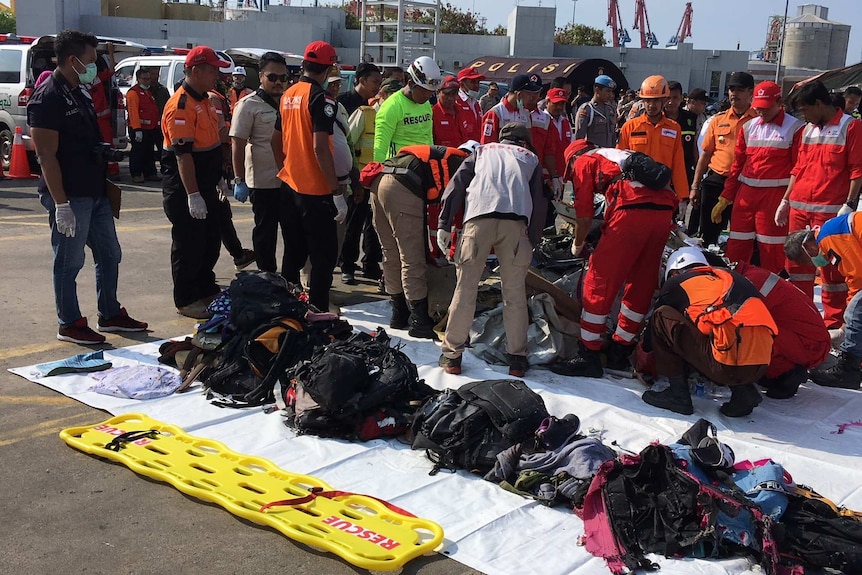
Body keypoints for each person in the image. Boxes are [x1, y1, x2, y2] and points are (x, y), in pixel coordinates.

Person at [28, 29, 147, 343]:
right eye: (91, 61)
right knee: (69, 261)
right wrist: (61, 205)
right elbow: (46, 155)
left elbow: (83, 139)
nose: (96, 67)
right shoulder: (48, 96)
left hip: (94, 190)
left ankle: (109, 313)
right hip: (70, 195)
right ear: (72, 60)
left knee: (110, 254)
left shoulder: (77, 90)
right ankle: (69, 322)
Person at [549, 139, 677, 378]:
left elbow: (584, 214)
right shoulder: (622, 155)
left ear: (572, 159)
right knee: (642, 282)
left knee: (599, 281)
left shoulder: (583, 162)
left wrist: (578, 244)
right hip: (663, 213)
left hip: (631, 213)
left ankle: (588, 354)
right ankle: (621, 350)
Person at [438, 123, 545, 377]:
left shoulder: (481, 151)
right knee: (514, 293)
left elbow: (456, 186)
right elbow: (539, 202)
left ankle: (452, 356)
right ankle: (517, 359)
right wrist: (534, 238)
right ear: (524, 143)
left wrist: (444, 223)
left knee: (465, 290)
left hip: (478, 219)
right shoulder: (531, 159)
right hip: (515, 224)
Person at [641, 248, 777, 417]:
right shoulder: (733, 279)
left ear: (674, 272)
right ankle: (743, 392)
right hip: (760, 366)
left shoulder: (678, 283)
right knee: (718, 329)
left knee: (662, 316)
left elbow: (650, 341)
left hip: (726, 366)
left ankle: (677, 396)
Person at [775, 80, 862, 331]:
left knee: (831, 273)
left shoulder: (851, 127)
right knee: (796, 266)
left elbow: (857, 170)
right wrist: (785, 200)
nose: (804, 116)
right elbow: (798, 168)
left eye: (805, 110)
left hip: (830, 212)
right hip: (800, 208)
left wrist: (849, 203)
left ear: (819, 104)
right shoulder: (807, 130)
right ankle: (802, 317)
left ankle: (833, 323)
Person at [369, 144, 470, 338]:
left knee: (390, 253)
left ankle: (398, 314)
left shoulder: (444, 157)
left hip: (379, 180)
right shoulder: (463, 164)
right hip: (402, 186)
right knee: (412, 256)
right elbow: (454, 205)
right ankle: (419, 321)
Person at [160, 46, 231, 319]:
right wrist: (193, 194)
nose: (216, 76)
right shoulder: (180, 105)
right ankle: (187, 298)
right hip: (185, 186)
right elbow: (183, 155)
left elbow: (213, 143)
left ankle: (205, 287)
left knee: (210, 240)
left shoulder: (206, 101)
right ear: (195, 70)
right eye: (212, 70)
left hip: (207, 182)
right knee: (188, 243)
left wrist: (221, 178)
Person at [275, 41, 345, 312]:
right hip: (315, 190)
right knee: (323, 256)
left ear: (303, 65)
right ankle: (318, 309)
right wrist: (336, 190)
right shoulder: (321, 98)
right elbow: (319, 147)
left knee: (293, 252)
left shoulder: (288, 94)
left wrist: (287, 166)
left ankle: (288, 306)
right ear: (328, 69)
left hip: (290, 184)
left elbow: (275, 139)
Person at [710, 81, 803, 274]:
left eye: (766, 108)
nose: (761, 112)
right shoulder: (749, 127)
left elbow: (798, 169)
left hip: (774, 197)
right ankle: (735, 291)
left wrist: (787, 202)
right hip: (745, 197)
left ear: (780, 102)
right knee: (736, 247)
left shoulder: (795, 128)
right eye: (758, 108)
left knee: (772, 251)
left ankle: (771, 296)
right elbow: (737, 165)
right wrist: (726, 197)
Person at [230, 51, 290, 276]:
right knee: (266, 232)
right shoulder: (248, 105)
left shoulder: (288, 102)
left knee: (292, 230)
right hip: (263, 181)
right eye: (272, 77)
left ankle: (290, 277)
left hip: (289, 179)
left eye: (283, 78)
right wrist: (239, 179)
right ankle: (267, 275)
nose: (278, 83)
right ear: (262, 76)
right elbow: (237, 142)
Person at [735, 261, 830, 399]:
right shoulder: (751, 275)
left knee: (747, 334)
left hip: (811, 345)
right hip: (809, 339)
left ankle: (787, 373)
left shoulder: (750, 282)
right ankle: (776, 371)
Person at [785, 220, 862, 389]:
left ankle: (848, 372)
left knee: (855, 311)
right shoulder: (831, 233)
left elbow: (858, 280)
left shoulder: (830, 239)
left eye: (807, 261)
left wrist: (845, 328)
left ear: (808, 248)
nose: (814, 265)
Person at [691, 72, 757, 247]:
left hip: (745, 184)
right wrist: (695, 186)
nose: (734, 93)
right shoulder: (717, 120)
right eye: (731, 89)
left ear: (751, 92)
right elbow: (704, 156)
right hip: (716, 181)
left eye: (740, 90)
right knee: (707, 236)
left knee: (741, 235)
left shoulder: (758, 121)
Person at [208, 83, 257, 272]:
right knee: (217, 216)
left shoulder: (212, 97)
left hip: (214, 162)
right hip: (211, 162)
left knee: (221, 213)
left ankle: (238, 254)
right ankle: (237, 255)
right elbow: (221, 134)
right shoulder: (212, 99)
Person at [617, 75, 689, 202]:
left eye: (656, 100)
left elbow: (678, 163)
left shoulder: (674, 128)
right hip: (634, 192)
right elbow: (619, 161)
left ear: (664, 100)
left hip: (662, 192)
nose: (651, 105)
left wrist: (682, 195)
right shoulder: (630, 127)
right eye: (647, 101)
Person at [373, 56, 438, 162]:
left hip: (424, 166)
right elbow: (380, 148)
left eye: (431, 92)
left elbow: (428, 138)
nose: (427, 95)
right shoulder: (392, 106)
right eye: (424, 90)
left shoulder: (426, 104)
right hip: (399, 168)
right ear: (411, 84)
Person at [125, 67, 161, 183]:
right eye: (145, 79)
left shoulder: (148, 92)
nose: (147, 81)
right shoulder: (133, 93)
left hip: (150, 128)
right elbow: (133, 112)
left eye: (148, 79)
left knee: (149, 152)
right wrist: (137, 129)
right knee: (138, 152)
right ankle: (136, 174)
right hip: (139, 129)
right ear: (138, 79)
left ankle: (150, 173)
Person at [664, 81, 699, 188]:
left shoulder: (691, 118)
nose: (670, 102)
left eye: (675, 97)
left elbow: (695, 146)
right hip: (662, 170)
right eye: (667, 98)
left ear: (682, 98)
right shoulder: (657, 118)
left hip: (685, 170)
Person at [573, 75, 617, 148]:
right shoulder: (587, 109)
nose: (610, 95)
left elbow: (612, 135)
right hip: (593, 155)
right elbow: (579, 138)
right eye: (607, 91)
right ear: (597, 90)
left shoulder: (610, 110)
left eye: (611, 91)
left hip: (609, 155)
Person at [432, 75, 466, 147]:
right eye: (446, 94)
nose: (450, 98)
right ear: (438, 92)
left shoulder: (462, 111)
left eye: (454, 94)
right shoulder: (433, 113)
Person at [455, 67, 484, 142]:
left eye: (478, 82)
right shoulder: (455, 102)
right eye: (473, 82)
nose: (476, 85)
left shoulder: (476, 103)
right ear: (461, 83)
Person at [546, 87, 573, 153]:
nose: (559, 107)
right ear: (547, 102)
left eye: (562, 104)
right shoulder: (541, 121)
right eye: (556, 103)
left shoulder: (565, 122)